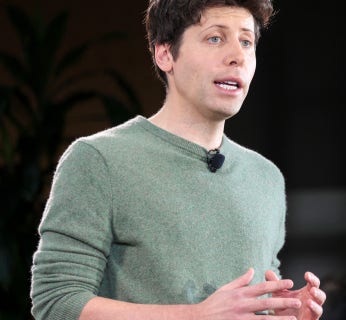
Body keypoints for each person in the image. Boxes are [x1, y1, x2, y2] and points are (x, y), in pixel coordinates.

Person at [30, 0, 326, 319]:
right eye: (215, 38)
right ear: (165, 54)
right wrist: (193, 315)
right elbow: (56, 302)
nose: (237, 56)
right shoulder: (99, 160)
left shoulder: (265, 177)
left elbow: (246, 304)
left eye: (246, 42)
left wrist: (282, 311)